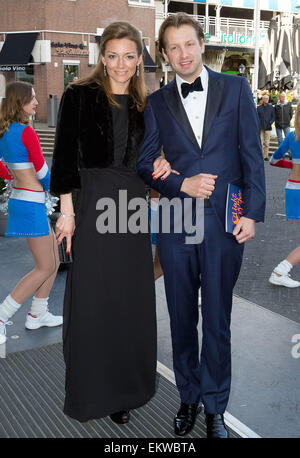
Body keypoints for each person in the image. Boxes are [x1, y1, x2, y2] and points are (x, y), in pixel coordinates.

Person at [137, 13, 266, 438]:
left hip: (224, 226)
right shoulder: (156, 102)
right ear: (164, 53)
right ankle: (188, 397)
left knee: (217, 318)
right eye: (173, 47)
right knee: (179, 318)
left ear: (202, 43)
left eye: (188, 44)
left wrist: (251, 213)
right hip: (175, 224)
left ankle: (215, 407)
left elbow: (251, 155)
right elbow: (144, 163)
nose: (182, 54)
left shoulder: (236, 88)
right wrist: (179, 182)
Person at [50, 22, 170, 424]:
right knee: (93, 301)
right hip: (92, 204)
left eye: (129, 56)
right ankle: (91, 390)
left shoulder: (147, 104)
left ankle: (124, 392)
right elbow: (64, 157)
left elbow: (153, 161)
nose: (121, 64)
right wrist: (66, 212)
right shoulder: (79, 95)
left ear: (140, 60)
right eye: (113, 55)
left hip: (133, 210)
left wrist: (162, 164)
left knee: (129, 302)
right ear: (102, 56)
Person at [0, 81, 62, 345]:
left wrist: (17, 176)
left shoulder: (3, 132)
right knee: (45, 266)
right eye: (32, 98)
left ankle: (37, 314)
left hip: (24, 201)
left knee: (55, 261)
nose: (36, 102)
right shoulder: (26, 132)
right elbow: (42, 172)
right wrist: (61, 189)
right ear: (19, 102)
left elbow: (3, 170)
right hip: (31, 202)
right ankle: (2, 317)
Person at [269, 101, 300, 287]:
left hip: (293, 188)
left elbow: (273, 160)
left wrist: (294, 165)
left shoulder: (291, 136)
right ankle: (280, 271)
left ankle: (281, 271)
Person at [257, 94, 275, 161]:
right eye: (265, 98)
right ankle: (260, 156)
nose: (266, 100)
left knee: (267, 143)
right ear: (262, 99)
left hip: (268, 127)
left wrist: (270, 122)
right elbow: (256, 117)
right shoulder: (259, 108)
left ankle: (265, 156)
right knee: (261, 142)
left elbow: (273, 117)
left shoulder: (271, 108)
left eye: (267, 99)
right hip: (261, 127)